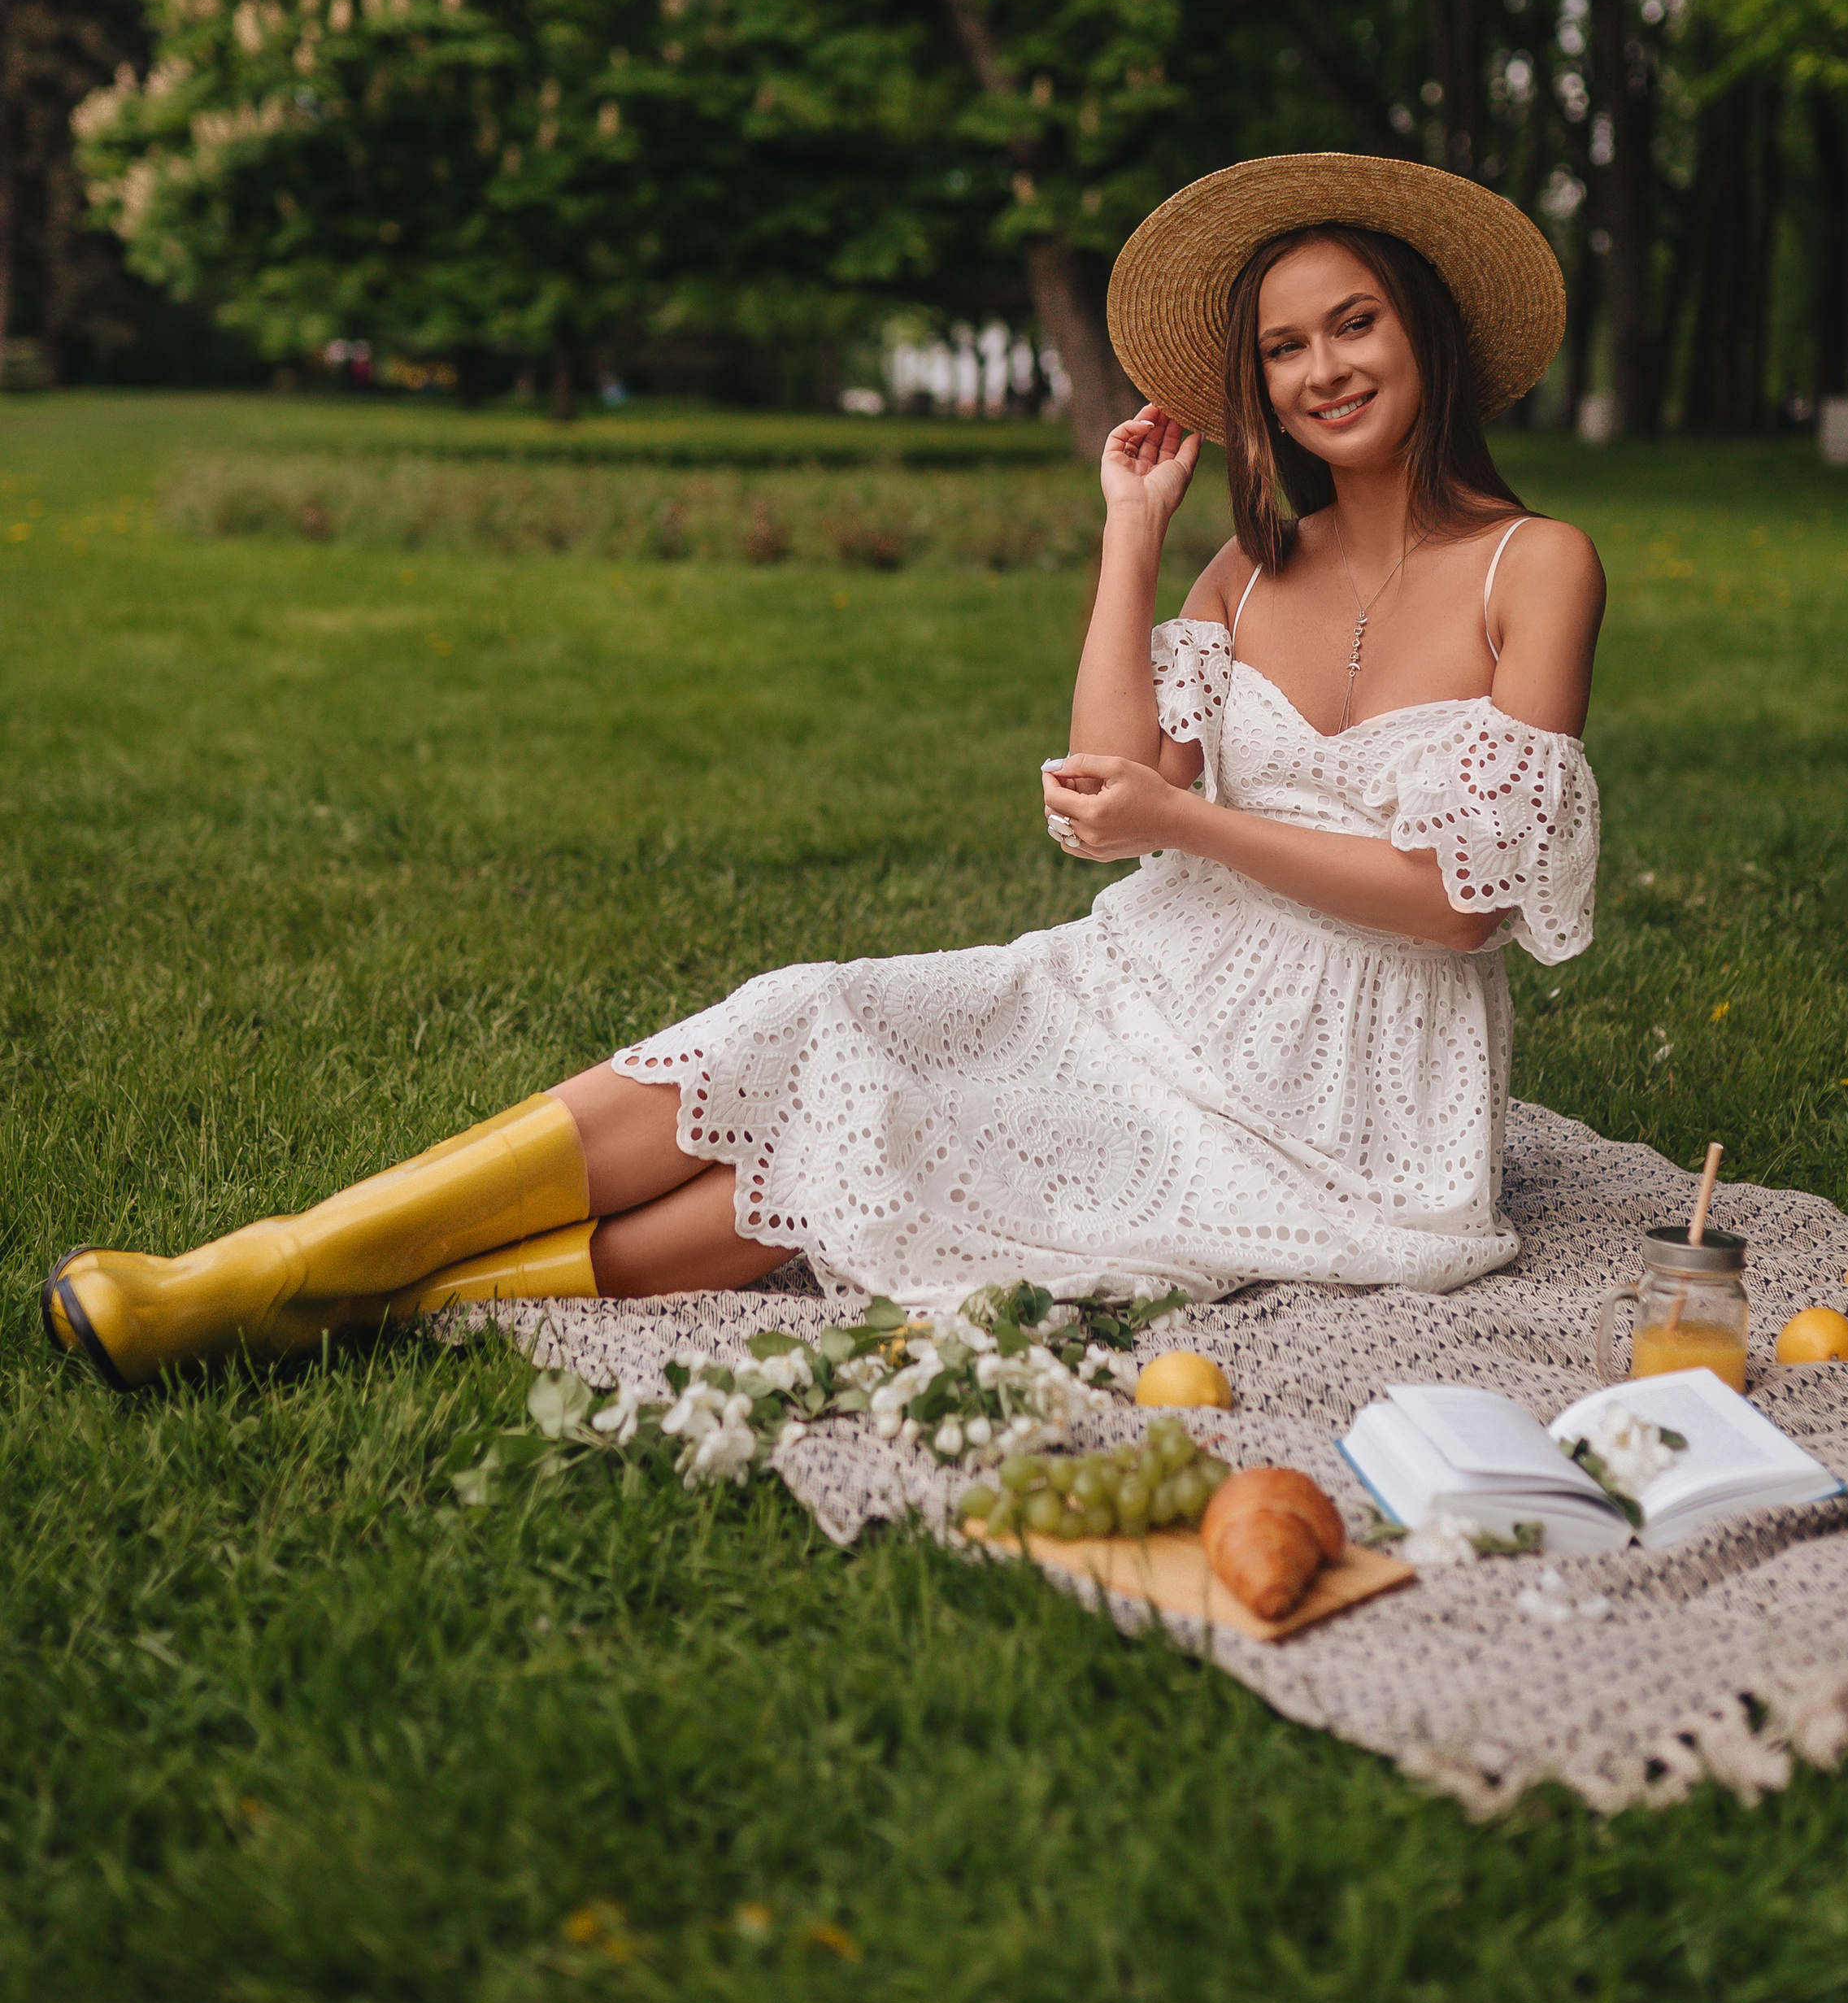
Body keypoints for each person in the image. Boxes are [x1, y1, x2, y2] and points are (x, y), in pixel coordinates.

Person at [43, 155, 1605, 1393]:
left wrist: (1186, 823)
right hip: (1150, 979)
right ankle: (277, 1270)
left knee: (868, 1152)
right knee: (808, 1021)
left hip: (1344, 1099)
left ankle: (333, 1299)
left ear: (1425, 336)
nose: (1321, 369)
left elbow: (1461, 910)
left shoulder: (1531, 570)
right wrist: (1130, 537)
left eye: (1354, 325)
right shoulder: (1242, 577)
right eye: (1281, 348)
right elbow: (1107, 787)